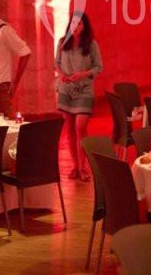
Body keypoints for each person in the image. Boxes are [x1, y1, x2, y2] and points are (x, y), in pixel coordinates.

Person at [56, 11, 103, 181]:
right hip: (66, 89)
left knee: (80, 126)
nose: (76, 27)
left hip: (84, 89)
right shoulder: (63, 42)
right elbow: (57, 63)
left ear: (84, 26)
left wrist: (83, 74)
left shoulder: (91, 45)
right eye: (73, 23)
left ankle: (84, 167)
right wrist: (61, 74)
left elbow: (99, 67)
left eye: (80, 24)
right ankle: (75, 167)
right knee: (69, 128)